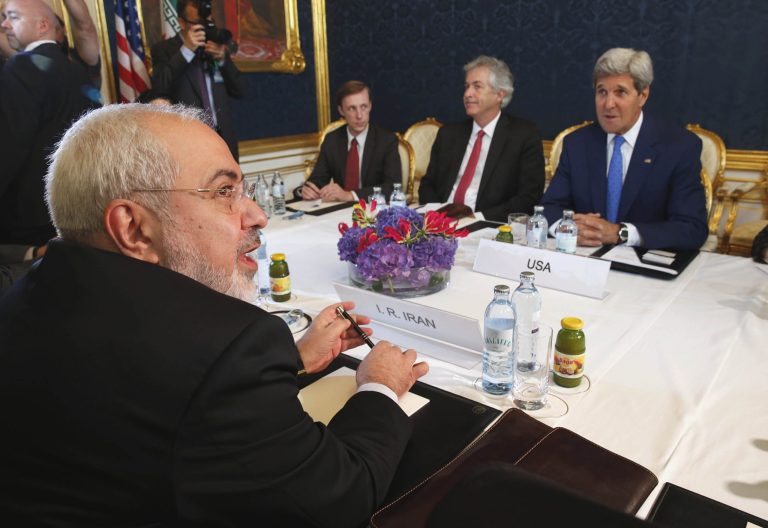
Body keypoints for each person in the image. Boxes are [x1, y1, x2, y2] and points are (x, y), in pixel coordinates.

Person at [0, 103, 429, 526]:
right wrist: (380, 387)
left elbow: (154, 400)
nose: (257, 215)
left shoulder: (28, 293)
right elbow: (339, 499)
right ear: (133, 228)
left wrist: (293, 361)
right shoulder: (228, 350)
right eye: (224, 192)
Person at [541, 48, 708, 250]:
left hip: (643, 265)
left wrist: (620, 233)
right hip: (584, 259)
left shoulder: (678, 146)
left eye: (620, 92)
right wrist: (566, 229)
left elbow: (691, 228)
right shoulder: (577, 144)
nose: (608, 104)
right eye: (602, 92)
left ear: (643, 95)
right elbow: (548, 209)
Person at [0, 0, 101, 247]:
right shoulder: (76, 68)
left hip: (27, 219)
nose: (4, 25)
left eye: (12, 17)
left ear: (43, 24)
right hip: (77, 206)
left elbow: (10, 143)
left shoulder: (21, 66)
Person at [418, 55, 545, 222]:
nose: (467, 94)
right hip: (440, 223)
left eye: (477, 87)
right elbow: (428, 185)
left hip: (488, 225)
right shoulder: (448, 134)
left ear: (500, 94)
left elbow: (528, 197)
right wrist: (437, 214)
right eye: (466, 86)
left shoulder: (523, 135)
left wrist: (476, 218)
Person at [150, 0, 245, 160]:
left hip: (224, 142)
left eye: (206, 21)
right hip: (189, 144)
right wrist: (186, 50)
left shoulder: (214, 46)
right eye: (196, 22)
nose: (203, 27)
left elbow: (241, 90)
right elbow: (160, 86)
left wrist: (223, 60)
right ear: (181, 22)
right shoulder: (164, 50)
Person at [301, 80, 401, 203]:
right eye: (352, 109)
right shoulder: (332, 140)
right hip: (338, 211)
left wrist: (350, 195)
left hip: (374, 211)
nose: (359, 115)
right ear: (341, 111)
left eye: (363, 107)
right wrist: (306, 190)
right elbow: (317, 181)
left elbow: (392, 188)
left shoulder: (386, 141)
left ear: (370, 106)